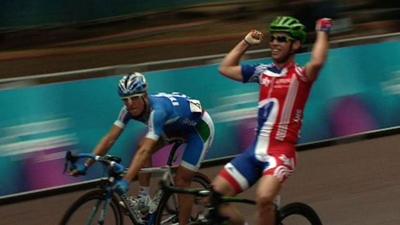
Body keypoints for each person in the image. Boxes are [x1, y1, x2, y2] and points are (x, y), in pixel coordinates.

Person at [211, 16, 332, 225]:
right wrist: (246, 42)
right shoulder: (263, 72)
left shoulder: (300, 76)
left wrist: (323, 31)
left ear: (295, 45)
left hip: (280, 152)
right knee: (214, 196)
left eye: (282, 39)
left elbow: (318, 61)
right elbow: (225, 68)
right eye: (273, 38)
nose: (274, 42)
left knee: (264, 198)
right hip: (254, 151)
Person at [71, 72, 214, 225]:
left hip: (198, 129)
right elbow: (109, 139)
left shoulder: (157, 111)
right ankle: (144, 200)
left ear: (144, 96)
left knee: (182, 180)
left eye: (134, 98)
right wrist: (86, 164)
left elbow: (145, 150)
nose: (130, 104)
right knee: (141, 145)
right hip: (173, 127)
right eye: (125, 100)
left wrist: (126, 180)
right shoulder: (127, 111)